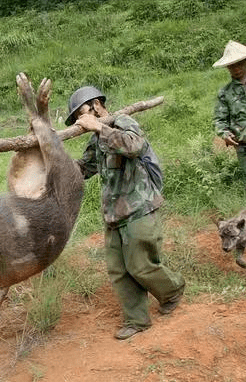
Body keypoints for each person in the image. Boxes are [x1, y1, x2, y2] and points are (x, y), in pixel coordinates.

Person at [66, 86, 185, 340]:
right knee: (118, 270)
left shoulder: (122, 122)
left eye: (81, 113)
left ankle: (172, 290)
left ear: (97, 105)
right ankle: (137, 320)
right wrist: (54, 159)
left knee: (140, 265)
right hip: (113, 215)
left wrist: (100, 128)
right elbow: (83, 169)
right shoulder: (95, 140)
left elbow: (135, 146)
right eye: (76, 117)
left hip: (138, 208)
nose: (80, 120)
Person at [213, 40, 246, 182]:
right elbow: (219, 120)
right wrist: (225, 134)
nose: (236, 69)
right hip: (243, 146)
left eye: (239, 64)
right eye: (231, 66)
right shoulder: (225, 93)